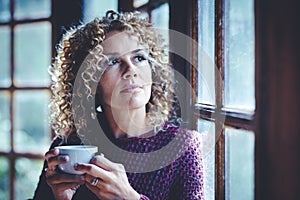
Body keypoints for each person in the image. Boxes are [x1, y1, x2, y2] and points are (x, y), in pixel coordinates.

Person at [33, 10, 205, 200]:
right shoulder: (68, 146)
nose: (130, 71)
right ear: (89, 82)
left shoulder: (183, 147)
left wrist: (130, 198)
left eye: (139, 58)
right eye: (113, 62)